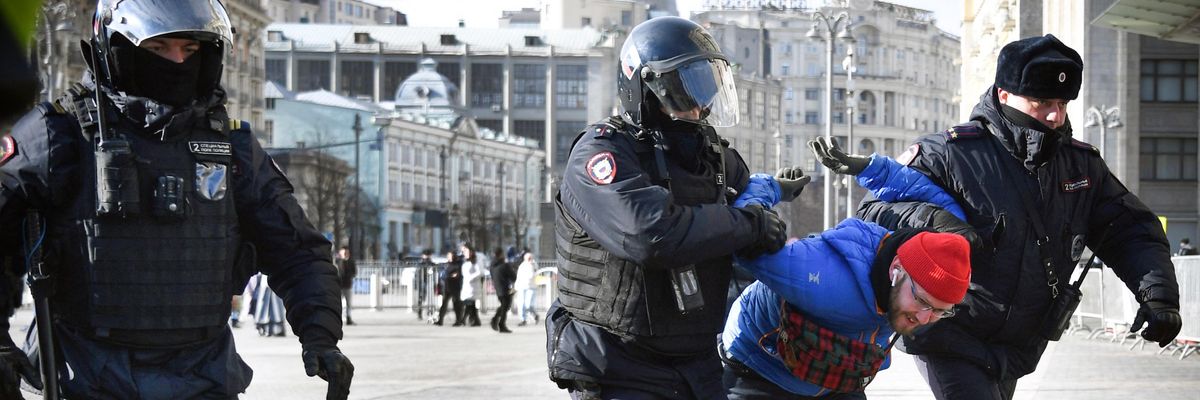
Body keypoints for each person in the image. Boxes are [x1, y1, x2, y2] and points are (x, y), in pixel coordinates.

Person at [0, 1, 353, 398]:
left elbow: (298, 249)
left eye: (190, 49)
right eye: (158, 48)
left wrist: (321, 336)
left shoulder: (230, 147)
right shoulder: (59, 134)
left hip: (202, 376)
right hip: (84, 374)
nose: (176, 62)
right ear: (114, 49)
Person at [856, 34, 1181, 400]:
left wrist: (1158, 296)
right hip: (948, 331)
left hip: (1017, 346)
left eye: (1062, 103)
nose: (1055, 115)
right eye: (1041, 102)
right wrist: (940, 223)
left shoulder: (1081, 164)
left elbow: (1130, 230)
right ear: (1004, 94)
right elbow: (874, 211)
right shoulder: (948, 153)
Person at [547, 16, 795, 400]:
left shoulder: (712, 157)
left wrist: (768, 220)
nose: (698, 107)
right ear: (643, 89)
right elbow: (650, 234)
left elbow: (749, 216)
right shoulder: (602, 154)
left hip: (698, 365)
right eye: (684, 91)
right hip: (618, 364)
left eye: (705, 89)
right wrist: (749, 224)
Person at [721, 146, 975, 399]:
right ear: (896, 270)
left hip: (838, 376)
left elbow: (928, 195)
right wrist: (772, 188)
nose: (924, 318)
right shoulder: (824, 275)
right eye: (921, 301)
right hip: (762, 369)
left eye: (940, 311)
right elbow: (747, 238)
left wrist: (870, 168)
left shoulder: (940, 256)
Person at [489, 248, 516, 333]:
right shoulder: (504, 265)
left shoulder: (492, 265)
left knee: (503, 306)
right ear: (500, 254)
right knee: (505, 307)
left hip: (498, 288)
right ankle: (500, 323)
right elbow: (513, 276)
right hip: (505, 288)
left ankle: (497, 321)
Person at [435, 250, 464, 326]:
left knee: (456, 304)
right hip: (447, 287)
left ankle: (458, 321)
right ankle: (440, 320)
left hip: (455, 287)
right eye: (448, 256)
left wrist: (449, 276)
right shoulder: (447, 264)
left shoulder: (458, 265)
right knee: (444, 304)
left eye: (450, 256)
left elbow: (457, 275)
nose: (448, 257)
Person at [459, 244, 484, 327]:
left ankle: (463, 319)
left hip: (473, 286)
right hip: (467, 286)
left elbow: (480, 272)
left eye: (466, 251)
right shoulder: (465, 261)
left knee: (469, 304)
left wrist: (470, 278)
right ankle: (475, 320)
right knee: (470, 305)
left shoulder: (476, 261)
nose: (465, 253)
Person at [515, 252, 540, 326]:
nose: (529, 259)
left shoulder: (534, 264)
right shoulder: (522, 266)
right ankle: (523, 319)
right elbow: (518, 277)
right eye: (528, 258)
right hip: (522, 287)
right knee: (521, 304)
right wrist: (516, 286)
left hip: (531, 287)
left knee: (528, 305)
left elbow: (534, 274)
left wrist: (532, 264)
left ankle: (535, 315)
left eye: (530, 257)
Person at [336, 245, 357, 326]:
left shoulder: (351, 261)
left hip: (347, 285)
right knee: (338, 303)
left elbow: (354, 272)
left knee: (348, 303)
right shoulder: (338, 262)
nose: (345, 253)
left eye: (346, 252)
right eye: (343, 252)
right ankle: (338, 318)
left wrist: (349, 275)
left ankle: (348, 318)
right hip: (338, 285)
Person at [416, 249, 437, 320]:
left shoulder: (431, 263)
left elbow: (434, 269)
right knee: (421, 298)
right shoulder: (421, 263)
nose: (427, 257)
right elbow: (418, 272)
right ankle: (420, 313)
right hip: (423, 281)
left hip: (429, 282)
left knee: (429, 298)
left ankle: (429, 312)